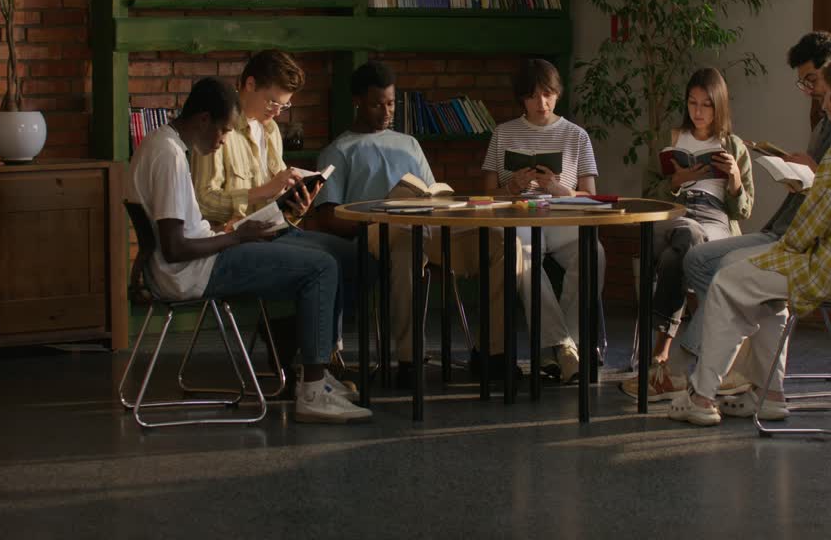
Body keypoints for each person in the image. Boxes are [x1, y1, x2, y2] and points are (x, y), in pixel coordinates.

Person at [667, 51, 831, 425]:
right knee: (755, 287)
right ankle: (771, 394)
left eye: (828, 94)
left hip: (827, 268)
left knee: (727, 278)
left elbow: (806, 230)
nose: (824, 102)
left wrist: (785, 231)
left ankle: (700, 396)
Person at [127, 77, 371, 423]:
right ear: (202, 120)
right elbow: (175, 246)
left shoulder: (160, 144)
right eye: (224, 131)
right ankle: (313, 391)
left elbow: (179, 234)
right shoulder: (168, 156)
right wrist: (237, 238)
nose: (224, 139)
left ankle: (315, 377)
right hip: (193, 271)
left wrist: (230, 231)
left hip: (198, 261)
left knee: (322, 257)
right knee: (322, 266)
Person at [313, 61, 524, 387]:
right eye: (376, 104)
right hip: (381, 231)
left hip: (431, 225)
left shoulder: (409, 144)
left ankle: (493, 353)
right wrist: (380, 217)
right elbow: (327, 217)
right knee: (407, 239)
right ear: (357, 101)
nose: (386, 111)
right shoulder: (338, 151)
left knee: (501, 240)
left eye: (391, 103)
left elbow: (432, 193)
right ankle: (410, 360)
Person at [666, 32, 831, 384]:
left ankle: (693, 368)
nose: (809, 91)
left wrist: (811, 174)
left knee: (731, 275)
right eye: (802, 84)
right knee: (698, 261)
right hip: (782, 229)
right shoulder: (824, 123)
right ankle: (741, 372)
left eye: (811, 80)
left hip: (799, 241)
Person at [189, 50, 361, 388]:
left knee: (355, 256)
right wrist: (265, 189)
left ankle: (299, 337)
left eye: (283, 106)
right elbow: (203, 202)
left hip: (274, 229)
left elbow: (276, 198)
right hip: (236, 236)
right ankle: (313, 366)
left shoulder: (270, 132)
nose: (276, 112)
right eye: (272, 102)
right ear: (248, 85)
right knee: (324, 263)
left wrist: (297, 202)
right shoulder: (218, 130)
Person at [620, 68, 755, 402]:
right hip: (675, 212)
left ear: (719, 106)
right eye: (692, 103)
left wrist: (735, 178)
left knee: (676, 253)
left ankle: (661, 349)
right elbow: (647, 193)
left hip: (713, 218)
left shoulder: (733, 145)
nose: (698, 111)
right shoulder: (671, 138)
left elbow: (744, 210)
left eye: (706, 105)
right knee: (686, 232)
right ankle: (676, 358)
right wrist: (676, 183)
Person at [481, 59, 602, 384]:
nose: (541, 103)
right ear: (522, 99)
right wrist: (512, 187)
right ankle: (564, 348)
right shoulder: (503, 133)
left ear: (557, 94)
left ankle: (563, 345)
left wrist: (559, 188)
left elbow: (591, 196)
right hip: (519, 215)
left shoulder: (576, 136)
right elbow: (488, 194)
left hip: (563, 214)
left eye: (547, 94)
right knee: (522, 259)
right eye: (533, 96)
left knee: (594, 252)